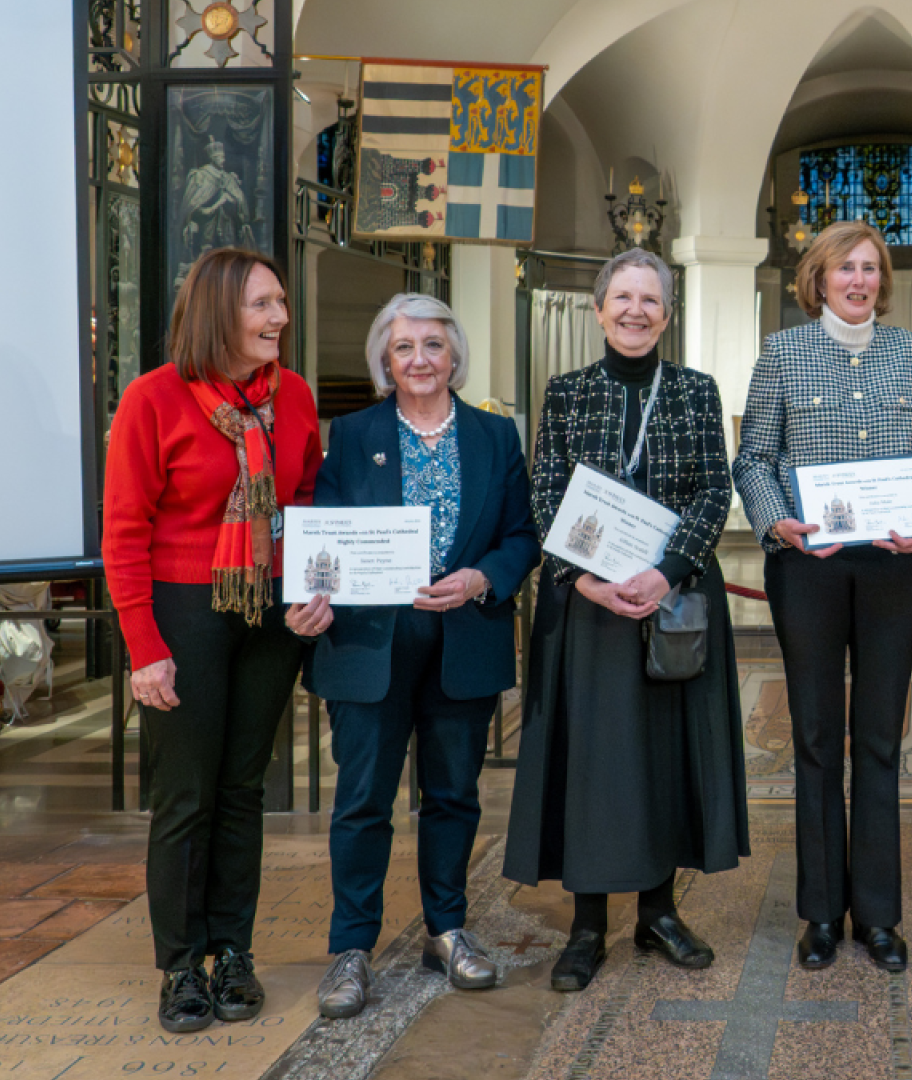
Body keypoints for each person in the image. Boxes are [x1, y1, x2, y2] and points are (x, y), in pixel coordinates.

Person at [503, 249, 749, 992]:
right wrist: (587, 581)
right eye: (623, 297)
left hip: (673, 600)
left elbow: (715, 487)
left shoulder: (695, 391)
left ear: (667, 315)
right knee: (593, 758)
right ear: (600, 308)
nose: (636, 310)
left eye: (651, 300)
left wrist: (664, 571)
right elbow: (546, 491)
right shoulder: (568, 392)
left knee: (665, 755)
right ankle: (585, 926)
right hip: (589, 608)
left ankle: (658, 912)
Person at [295, 294, 538, 1018]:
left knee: (455, 796)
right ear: (385, 361)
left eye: (433, 345)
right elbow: (326, 536)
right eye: (404, 348)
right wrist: (312, 596)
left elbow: (523, 535)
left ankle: (448, 929)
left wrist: (482, 577)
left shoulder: (496, 436)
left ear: (454, 355)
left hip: (463, 642)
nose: (420, 359)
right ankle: (351, 950)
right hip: (370, 645)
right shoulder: (352, 434)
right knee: (363, 802)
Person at [102, 247, 322, 1032]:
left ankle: (233, 953)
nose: (280, 320)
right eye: (264, 305)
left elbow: (299, 501)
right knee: (184, 798)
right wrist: (144, 647)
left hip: (266, 616)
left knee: (241, 792)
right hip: (183, 611)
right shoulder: (153, 400)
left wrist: (308, 591)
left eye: (282, 304)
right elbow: (124, 533)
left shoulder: (291, 397)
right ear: (221, 310)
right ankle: (180, 967)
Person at [733, 220, 912, 973]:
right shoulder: (784, 352)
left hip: (891, 569)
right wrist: (775, 522)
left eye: (869, 269)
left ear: (882, 281)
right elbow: (754, 456)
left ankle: (879, 917)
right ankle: (822, 912)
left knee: (883, 739)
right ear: (817, 280)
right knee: (819, 740)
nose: (858, 281)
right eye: (843, 269)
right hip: (810, 567)